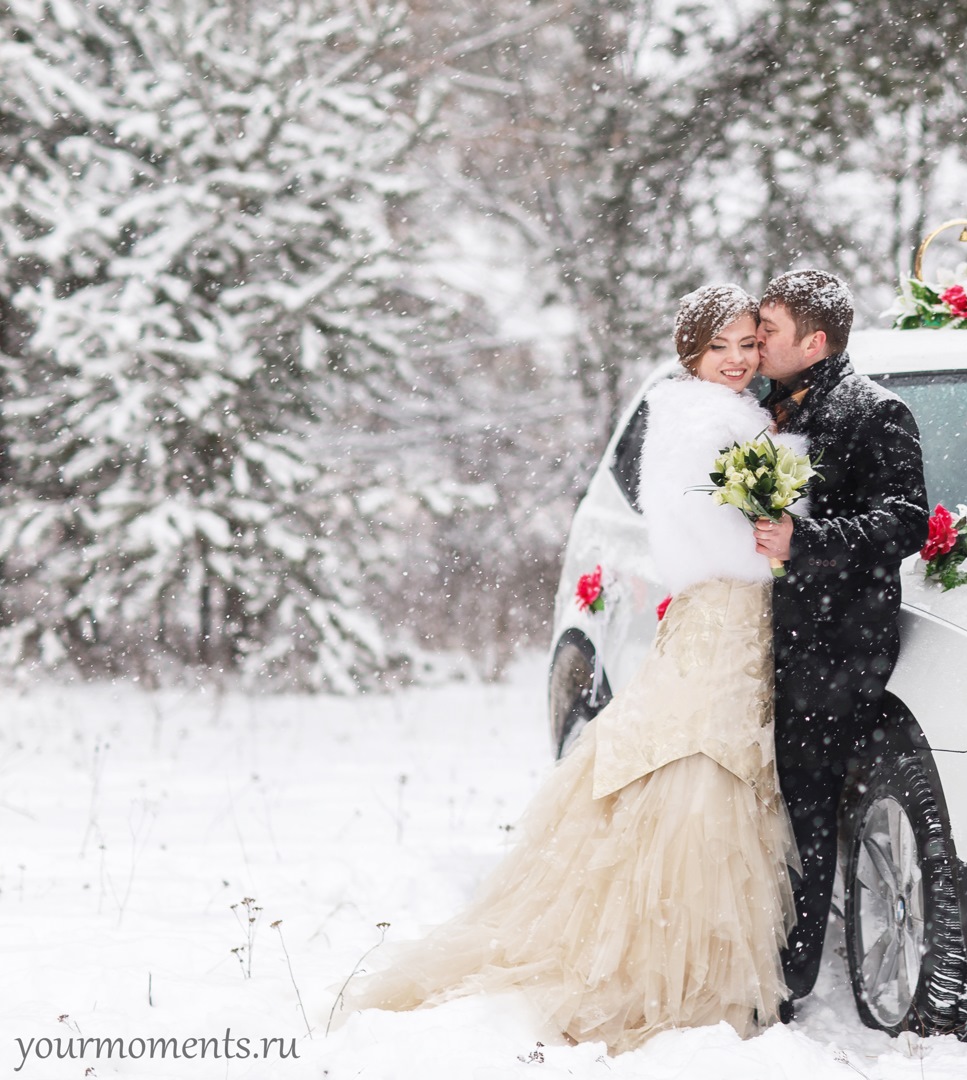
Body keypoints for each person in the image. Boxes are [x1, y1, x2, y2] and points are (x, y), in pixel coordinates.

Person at [332, 285, 800, 1053]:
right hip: (723, 611)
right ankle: (670, 968)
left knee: (691, 752)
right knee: (699, 760)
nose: (741, 359)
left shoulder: (719, 414)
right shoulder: (708, 420)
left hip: (723, 617)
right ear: (692, 352)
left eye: (749, 344)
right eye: (722, 347)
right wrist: (781, 541)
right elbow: (699, 535)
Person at [752, 269, 931, 1016]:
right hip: (756, 639)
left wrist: (808, 540)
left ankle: (789, 979)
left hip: (831, 646)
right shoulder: (753, 408)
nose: (757, 341)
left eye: (769, 330)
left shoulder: (873, 412)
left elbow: (907, 520)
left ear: (815, 341)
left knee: (806, 806)